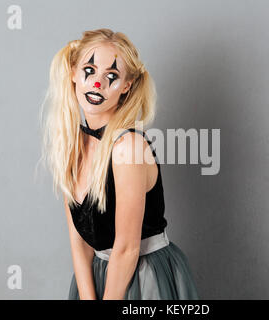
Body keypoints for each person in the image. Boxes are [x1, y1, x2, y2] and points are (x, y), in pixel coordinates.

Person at [40, 28, 199, 300]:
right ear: (74, 73)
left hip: (143, 276)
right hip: (98, 273)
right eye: (89, 70)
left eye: (111, 76)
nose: (97, 83)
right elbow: (80, 243)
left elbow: (126, 249)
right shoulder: (72, 143)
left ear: (126, 86)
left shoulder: (129, 147)